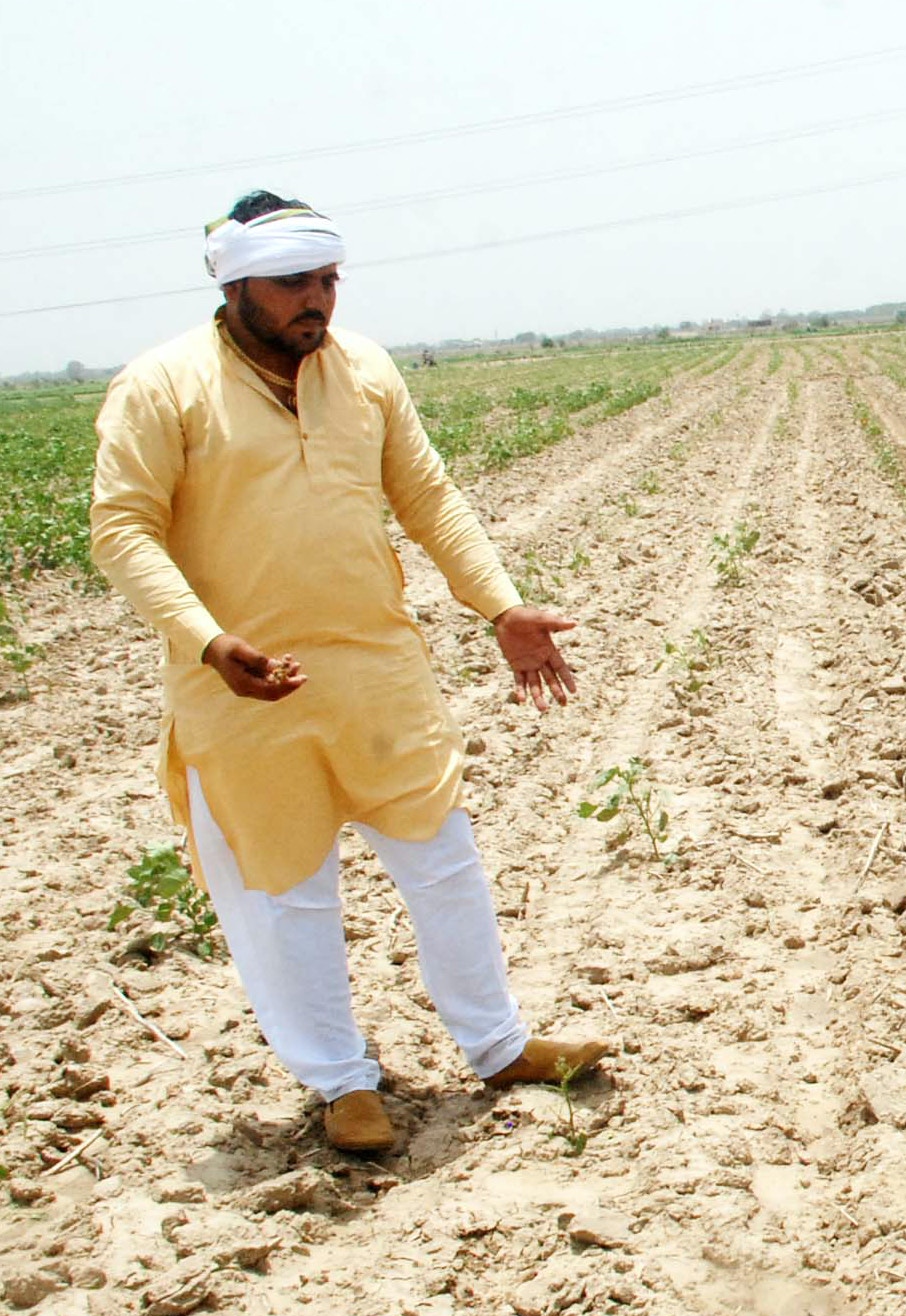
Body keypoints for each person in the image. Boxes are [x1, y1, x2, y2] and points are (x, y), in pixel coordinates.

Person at [90, 191, 609, 1153]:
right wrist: (208, 641)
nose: (317, 301)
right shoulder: (161, 387)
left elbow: (429, 498)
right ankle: (340, 1083)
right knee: (285, 892)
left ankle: (499, 1045)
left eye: (328, 279)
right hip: (241, 685)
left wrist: (499, 606)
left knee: (443, 861)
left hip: (376, 667)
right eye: (295, 282)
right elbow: (123, 529)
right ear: (235, 280)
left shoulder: (363, 371)